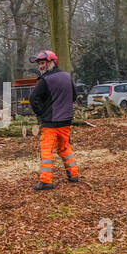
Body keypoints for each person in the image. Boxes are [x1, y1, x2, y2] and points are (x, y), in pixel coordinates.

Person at [28, 49, 79, 190]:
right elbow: (74, 96)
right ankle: (73, 175)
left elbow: (33, 99)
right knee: (65, 147)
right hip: (66, 120)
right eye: (39, 64)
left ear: (52, 62)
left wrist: (41, 113)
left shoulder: (45, 80)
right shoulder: (67, 76)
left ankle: (46, 181)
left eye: (43, 63)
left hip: (50, 122)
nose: (40, 66)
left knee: (47, 151)